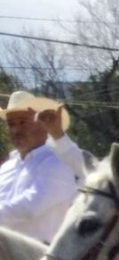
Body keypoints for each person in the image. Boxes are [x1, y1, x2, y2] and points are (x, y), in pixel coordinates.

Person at [0, 91, 78, 243]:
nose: (16, 129)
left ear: (44, 124)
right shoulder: (7, 167)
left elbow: (32, 205)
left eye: (23, 122)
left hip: (40, 257)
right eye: (11, 124)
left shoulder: (58, 161)